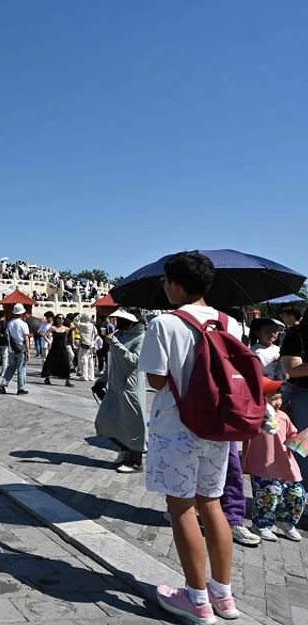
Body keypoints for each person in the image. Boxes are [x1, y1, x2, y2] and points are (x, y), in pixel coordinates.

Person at [137, 251, 240, 623]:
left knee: (181, 508)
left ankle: (196, 599)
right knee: (212, 505)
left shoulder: (165, 324)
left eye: (165, 282)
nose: (164, 287)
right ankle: (223, 596)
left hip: (176, 427)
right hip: (219, 427)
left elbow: (157, 379)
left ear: (177, 284)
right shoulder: (231, 322)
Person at [242, 378, 304, 542]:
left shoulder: (283, 416)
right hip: (263, 466)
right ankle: (261, 525)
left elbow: (292, 435)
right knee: (268, 497)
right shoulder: (255, 417)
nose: (278, 402)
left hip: (286, 465)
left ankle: (286, 521)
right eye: (273, 398)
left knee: (297, 494)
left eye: (280, 397)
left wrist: (300, 441)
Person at [93, 308, 147, 473]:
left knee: (134, 425)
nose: (119, 323)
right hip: (114, 387)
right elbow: (113, 361)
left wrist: (115, 344)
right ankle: (126, 451)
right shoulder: (120, 335)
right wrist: (102, 379)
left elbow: (136, 361)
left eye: (123, 320)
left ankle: (136, 461)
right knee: (103, 421)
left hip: (130, 387)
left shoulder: (141, 338)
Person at [280, 316, 308, 478]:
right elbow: (293, 369)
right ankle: (301, 498)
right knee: (302, 454)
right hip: (303, 398)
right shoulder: (296, 335)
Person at [0, 304, 30, 395]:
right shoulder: (23, 324)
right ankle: (21, 388)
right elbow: (26, 339)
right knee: (21, 369)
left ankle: (3, 384)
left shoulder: (10, 323)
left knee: (11, 367)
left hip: (12, 349)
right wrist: (28, 351)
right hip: (21, 349)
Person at [41, 314, 74, 388]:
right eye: (59, 318)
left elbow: (69, 334)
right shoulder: (53, 328)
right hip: (54, 347)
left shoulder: (65, 328)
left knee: (66, 362)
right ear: (56, 319)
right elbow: (45, 335)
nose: (61, 319)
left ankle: (68, 380)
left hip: (62, 347)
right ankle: (47, 378)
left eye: (62, 318)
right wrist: (49, 342)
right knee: (50, 362)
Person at [74, 314, 97, 382]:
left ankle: (84, 376)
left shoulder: (82, 325)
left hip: (84, 344)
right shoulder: (92, 325)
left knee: (83, 360)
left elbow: (75, 321)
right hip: (91, 345)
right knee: (90, 361)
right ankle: (91, 376)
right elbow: (96, 333)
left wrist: (80, 315)